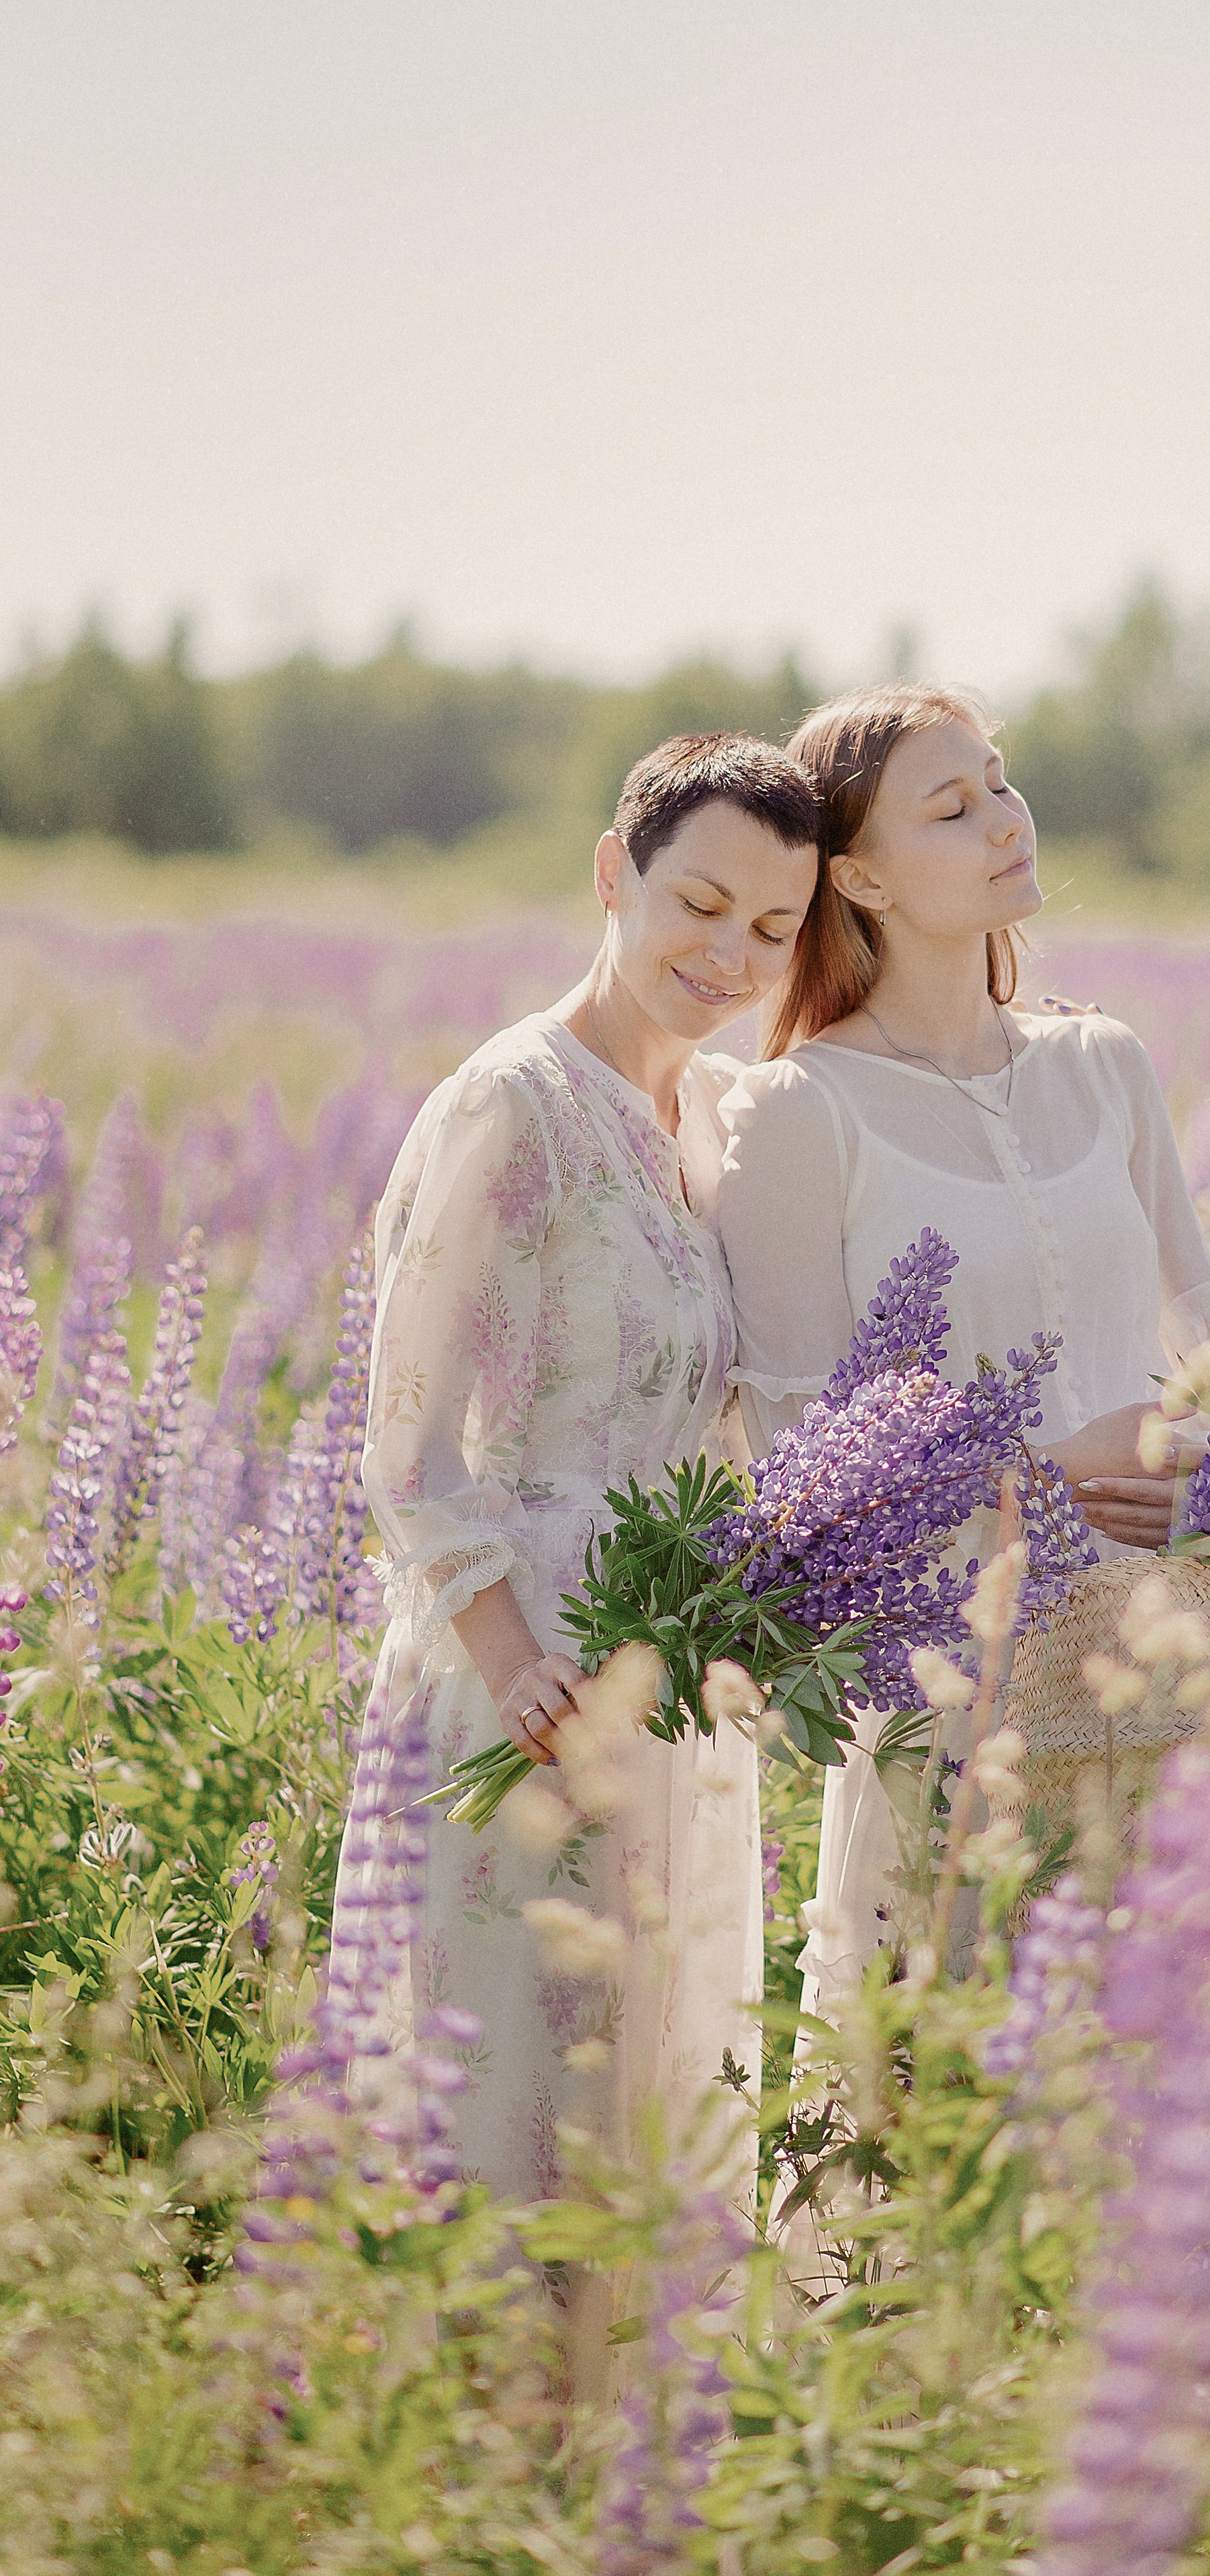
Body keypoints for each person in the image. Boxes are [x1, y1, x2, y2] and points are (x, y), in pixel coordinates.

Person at [714, 683, 1210, 2016]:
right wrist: (1024, 1476)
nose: (1005, 821)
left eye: (999, 785)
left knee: (1153, 2083)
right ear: (859, 878)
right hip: (949, 1671)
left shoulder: (1101, 1061)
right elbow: (789, 1466)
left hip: (1157, 1637)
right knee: (939, 2086)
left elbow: (1201, 1311)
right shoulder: (797, 1110)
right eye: (950, 808)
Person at [336, 732, 820, 2217]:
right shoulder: (515, 1100)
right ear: (614, 873)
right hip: (522, 1678)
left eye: (771, 929)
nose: (729, 952)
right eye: (700, 901)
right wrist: (512, 1659)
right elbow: (402, 1432)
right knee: (503, 2134)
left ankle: (617, 2448)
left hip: (667, 1680)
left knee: (639, 2133)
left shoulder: (711, 1116)